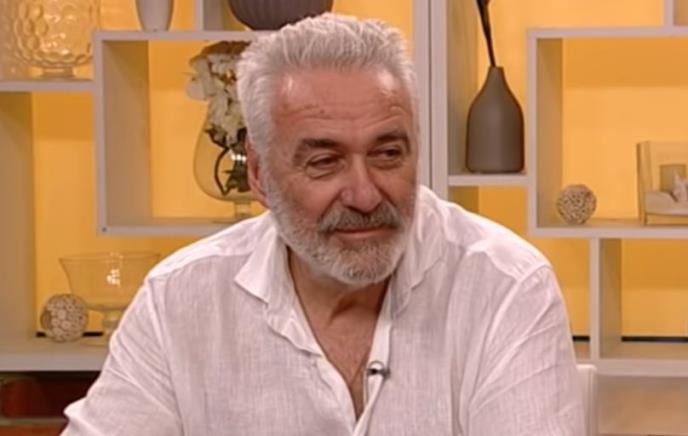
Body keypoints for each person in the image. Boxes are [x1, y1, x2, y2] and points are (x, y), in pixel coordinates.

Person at [62, 13, 583, 436]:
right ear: (260, 175)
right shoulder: (180, 300)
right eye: (324, 162)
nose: (364, 194)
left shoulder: (505, 286)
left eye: (387, 153)